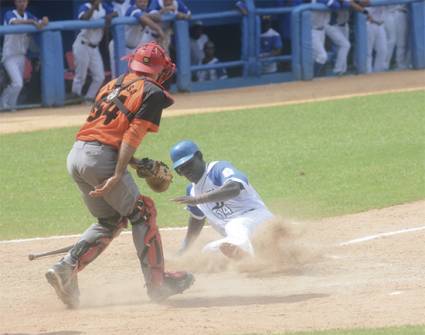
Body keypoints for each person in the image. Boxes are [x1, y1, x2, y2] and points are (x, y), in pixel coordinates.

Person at [45, 42, 194, 309]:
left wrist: (133, 164)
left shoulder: (113, 83)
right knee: (144, 213)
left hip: (77, 156)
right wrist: (118, 173)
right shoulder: (152, 92)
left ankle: (65, 269)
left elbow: (102, 133)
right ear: (159, 70)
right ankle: (158, 284)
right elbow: (131, 136)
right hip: (102, 160)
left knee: (110, 219)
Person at [170, 140, 274, 259]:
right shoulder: (192, 191)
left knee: (234, 225)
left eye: (188, 164)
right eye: (180, 169)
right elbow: (197, 219)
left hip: (258, 221)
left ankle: (250, 258)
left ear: (199, 156)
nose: (186, 171)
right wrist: (185, 248)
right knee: (207, 252)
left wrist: (198, 199)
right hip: (238, 237)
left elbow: (234, 188)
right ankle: (255, 254)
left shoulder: (217, 170)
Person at [0, 0, 48, 111]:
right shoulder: (10, 13)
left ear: (27, 3)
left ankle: (12, 107)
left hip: (21, 55)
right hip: (9, 55)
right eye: (20, 1)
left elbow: (41, 23)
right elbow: (14, 22)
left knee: (17, 84)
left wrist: (45, 20)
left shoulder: (28, 15)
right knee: (18, 83)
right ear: (15, 3)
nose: (22, 4)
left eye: (24, 1)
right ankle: (3, 103)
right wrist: (32, 22)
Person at [71, 0, 116, 102]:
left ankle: (89, 98)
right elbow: (84, 18)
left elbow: (115, 12)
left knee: (100, 77)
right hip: (82, 44)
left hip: (94, 47)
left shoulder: (104, 6)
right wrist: (93, 7)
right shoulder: (85, 6)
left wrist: (109, 16)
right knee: (80, 76)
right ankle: (75, 98)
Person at [109, 0, 164, 78]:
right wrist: (158, 29)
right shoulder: (131, 9)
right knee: (117, 76)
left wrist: (146, 15)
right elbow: (142, 18)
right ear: (136, 2)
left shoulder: (147, 11)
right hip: (118, 46)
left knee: (133, 75)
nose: (143, 3)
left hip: (132, 48)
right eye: (140, 1)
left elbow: (158, 17)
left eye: (145, 2)